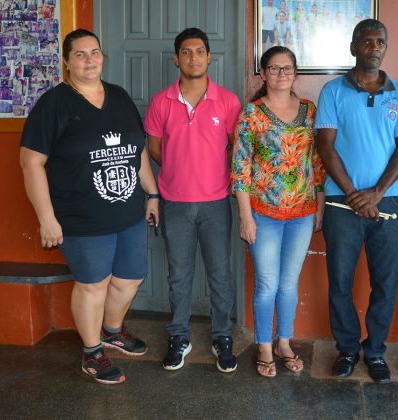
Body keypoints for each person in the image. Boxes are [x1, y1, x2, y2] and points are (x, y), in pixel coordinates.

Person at [20, 29, 158, 385]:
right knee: (93, 285)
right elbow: (31, 163)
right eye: (80, 54)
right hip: (81, 217)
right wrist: (47, 219)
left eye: (94, 52)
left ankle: (111, 331)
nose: (89, 59)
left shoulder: (119, 97)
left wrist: (152, 193)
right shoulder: (54, 104)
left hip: (128, 213)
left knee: (130, 278)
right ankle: (92, 352)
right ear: (66, 62)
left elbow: (137, 150)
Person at [315, 19, 398, 383]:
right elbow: (325, 146)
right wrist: (354, 195)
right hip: (341, 201)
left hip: (389, 201)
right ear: (354, 47)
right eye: (367, 41)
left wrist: (376, 193)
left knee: (385, 282)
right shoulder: (332, 91)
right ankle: (346, 348)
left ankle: (374, 351)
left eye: (380, 42)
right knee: (340, 280)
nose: (375, 47)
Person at [144, 28, 242, 373]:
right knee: (179, 275)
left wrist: (213, 171)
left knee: (220, 274)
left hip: (216, 203)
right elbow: (155, 148)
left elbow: (236, 148)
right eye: (186, 52)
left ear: (209, 57)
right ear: (176, 59)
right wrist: (178, 169)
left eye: (200, 51)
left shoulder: (228, 101)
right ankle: (179, 337)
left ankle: (222, 337)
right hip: (176, 203)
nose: (193, 58)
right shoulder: (161, 102)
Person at [231, 46, 325, 378]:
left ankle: (284, 342)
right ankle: (264, 346)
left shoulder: (310, 111)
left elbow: (316, 162)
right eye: (274, 68)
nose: (281, 74)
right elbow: (240, 168)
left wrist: (319, 205)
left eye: (287, 68)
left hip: (302, 212)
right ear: (263, 73)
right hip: (263, 212)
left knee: (288, 283)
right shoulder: (252, 113)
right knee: (268, 283)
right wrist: (245, 216)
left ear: (295, 73)